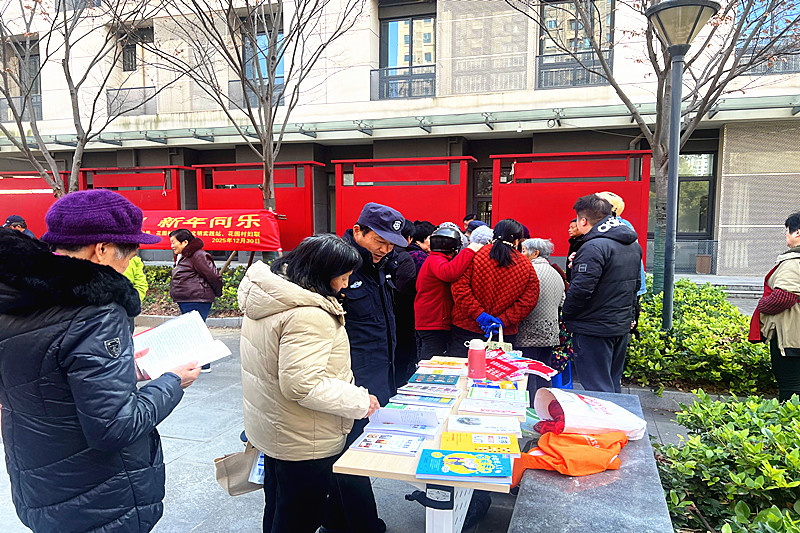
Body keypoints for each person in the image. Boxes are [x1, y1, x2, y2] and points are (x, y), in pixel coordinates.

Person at [0, 189, 200, 533]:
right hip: (100, 497)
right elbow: (114, 427)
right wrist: (171, 381)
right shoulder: (96, 311)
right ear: (102, 249)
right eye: (130, 253)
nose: (129, 263)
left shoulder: (16, 291)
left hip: (40, 481)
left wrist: (121, 369)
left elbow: (43, 378)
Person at [238, 234, 380, 533]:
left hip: (277, 427)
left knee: (278, 505)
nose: (345, 284)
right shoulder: (307, 315)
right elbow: (302, 384)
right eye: (342, 276)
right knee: (299, 517)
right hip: (305, 436)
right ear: (320, 273)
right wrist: (359, 401)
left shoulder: (273, 296)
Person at [323, 201, 408, 533]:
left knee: (351, 452)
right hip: (351, 379)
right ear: (358, 231)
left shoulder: (382, 266)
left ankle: (332, 522)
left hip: (378, 374)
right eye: (379, 241)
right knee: (350, 458)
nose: (384, 249)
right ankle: (365, 525)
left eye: (390, 245)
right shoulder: (338, 266)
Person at [562, 194, 642, 394]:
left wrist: (567, 317)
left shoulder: (593, 246)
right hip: (619, 326)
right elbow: (635, 286)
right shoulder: (632, 244)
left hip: (593, 328)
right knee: (612, 384)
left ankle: (606, 425)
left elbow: (580, 290)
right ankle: (616, 424)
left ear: (583, 220)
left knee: (597, 388)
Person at [450, 218, 540, 356]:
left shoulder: (475, 256)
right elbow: (529, 300)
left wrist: (480, 315)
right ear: (517, 241)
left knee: (464, 372)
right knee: (500, 374)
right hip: (504, 333)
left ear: (493, 235)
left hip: (467, 328)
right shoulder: (526, 265)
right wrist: (503, 320)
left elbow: (460, 289)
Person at [752, 212, 800, 401]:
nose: (786, 235)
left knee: (791, 386)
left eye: (787, 231)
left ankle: (789, 427)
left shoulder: (794, 262)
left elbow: (783, 297)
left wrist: (762, 305)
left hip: (791, 336)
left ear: (797, 233)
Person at [415, 227, 482, 359]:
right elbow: (450, 273)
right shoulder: (436, 260)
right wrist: (469, 251)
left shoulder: (433, 258)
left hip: (431, 318)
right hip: (433, 320)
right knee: (432, 359)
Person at [517, 238, 565, 403]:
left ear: (535, 253)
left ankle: (529, 406)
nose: (521, 254)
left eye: (523, 250)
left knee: (528, 372)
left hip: (528, 331)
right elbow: (562, 301)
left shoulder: (529, 270)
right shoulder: (556, 272)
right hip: (551, 332)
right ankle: (547, 405)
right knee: (544, 370)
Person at [169, 228, 223, 372]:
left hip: (197, 298)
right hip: (189, 298)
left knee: (195, 331)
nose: (172, 246)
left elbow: (214, 276)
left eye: (174, 242)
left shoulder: (198, 255)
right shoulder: (186, 255)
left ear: (185, 242)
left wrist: (217, 292)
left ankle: (204, 364)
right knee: (193, 330)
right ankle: (198, 362)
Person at [394, 219, 419, 387]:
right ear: (409, 238)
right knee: (402, 352)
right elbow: (404, 289)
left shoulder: (380, 255)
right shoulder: (405, 258)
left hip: (387, 315)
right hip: (403, 314)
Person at [123, 252, 148, 333]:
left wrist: (133, 302)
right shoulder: (135, 259)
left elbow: (141, 285)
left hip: (126, 310)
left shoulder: (135, 260)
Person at [565, 218, 583, 282]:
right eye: (569, 228)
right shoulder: (573, 242)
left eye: (572, 228)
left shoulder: (584, 243)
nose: (569, 230)